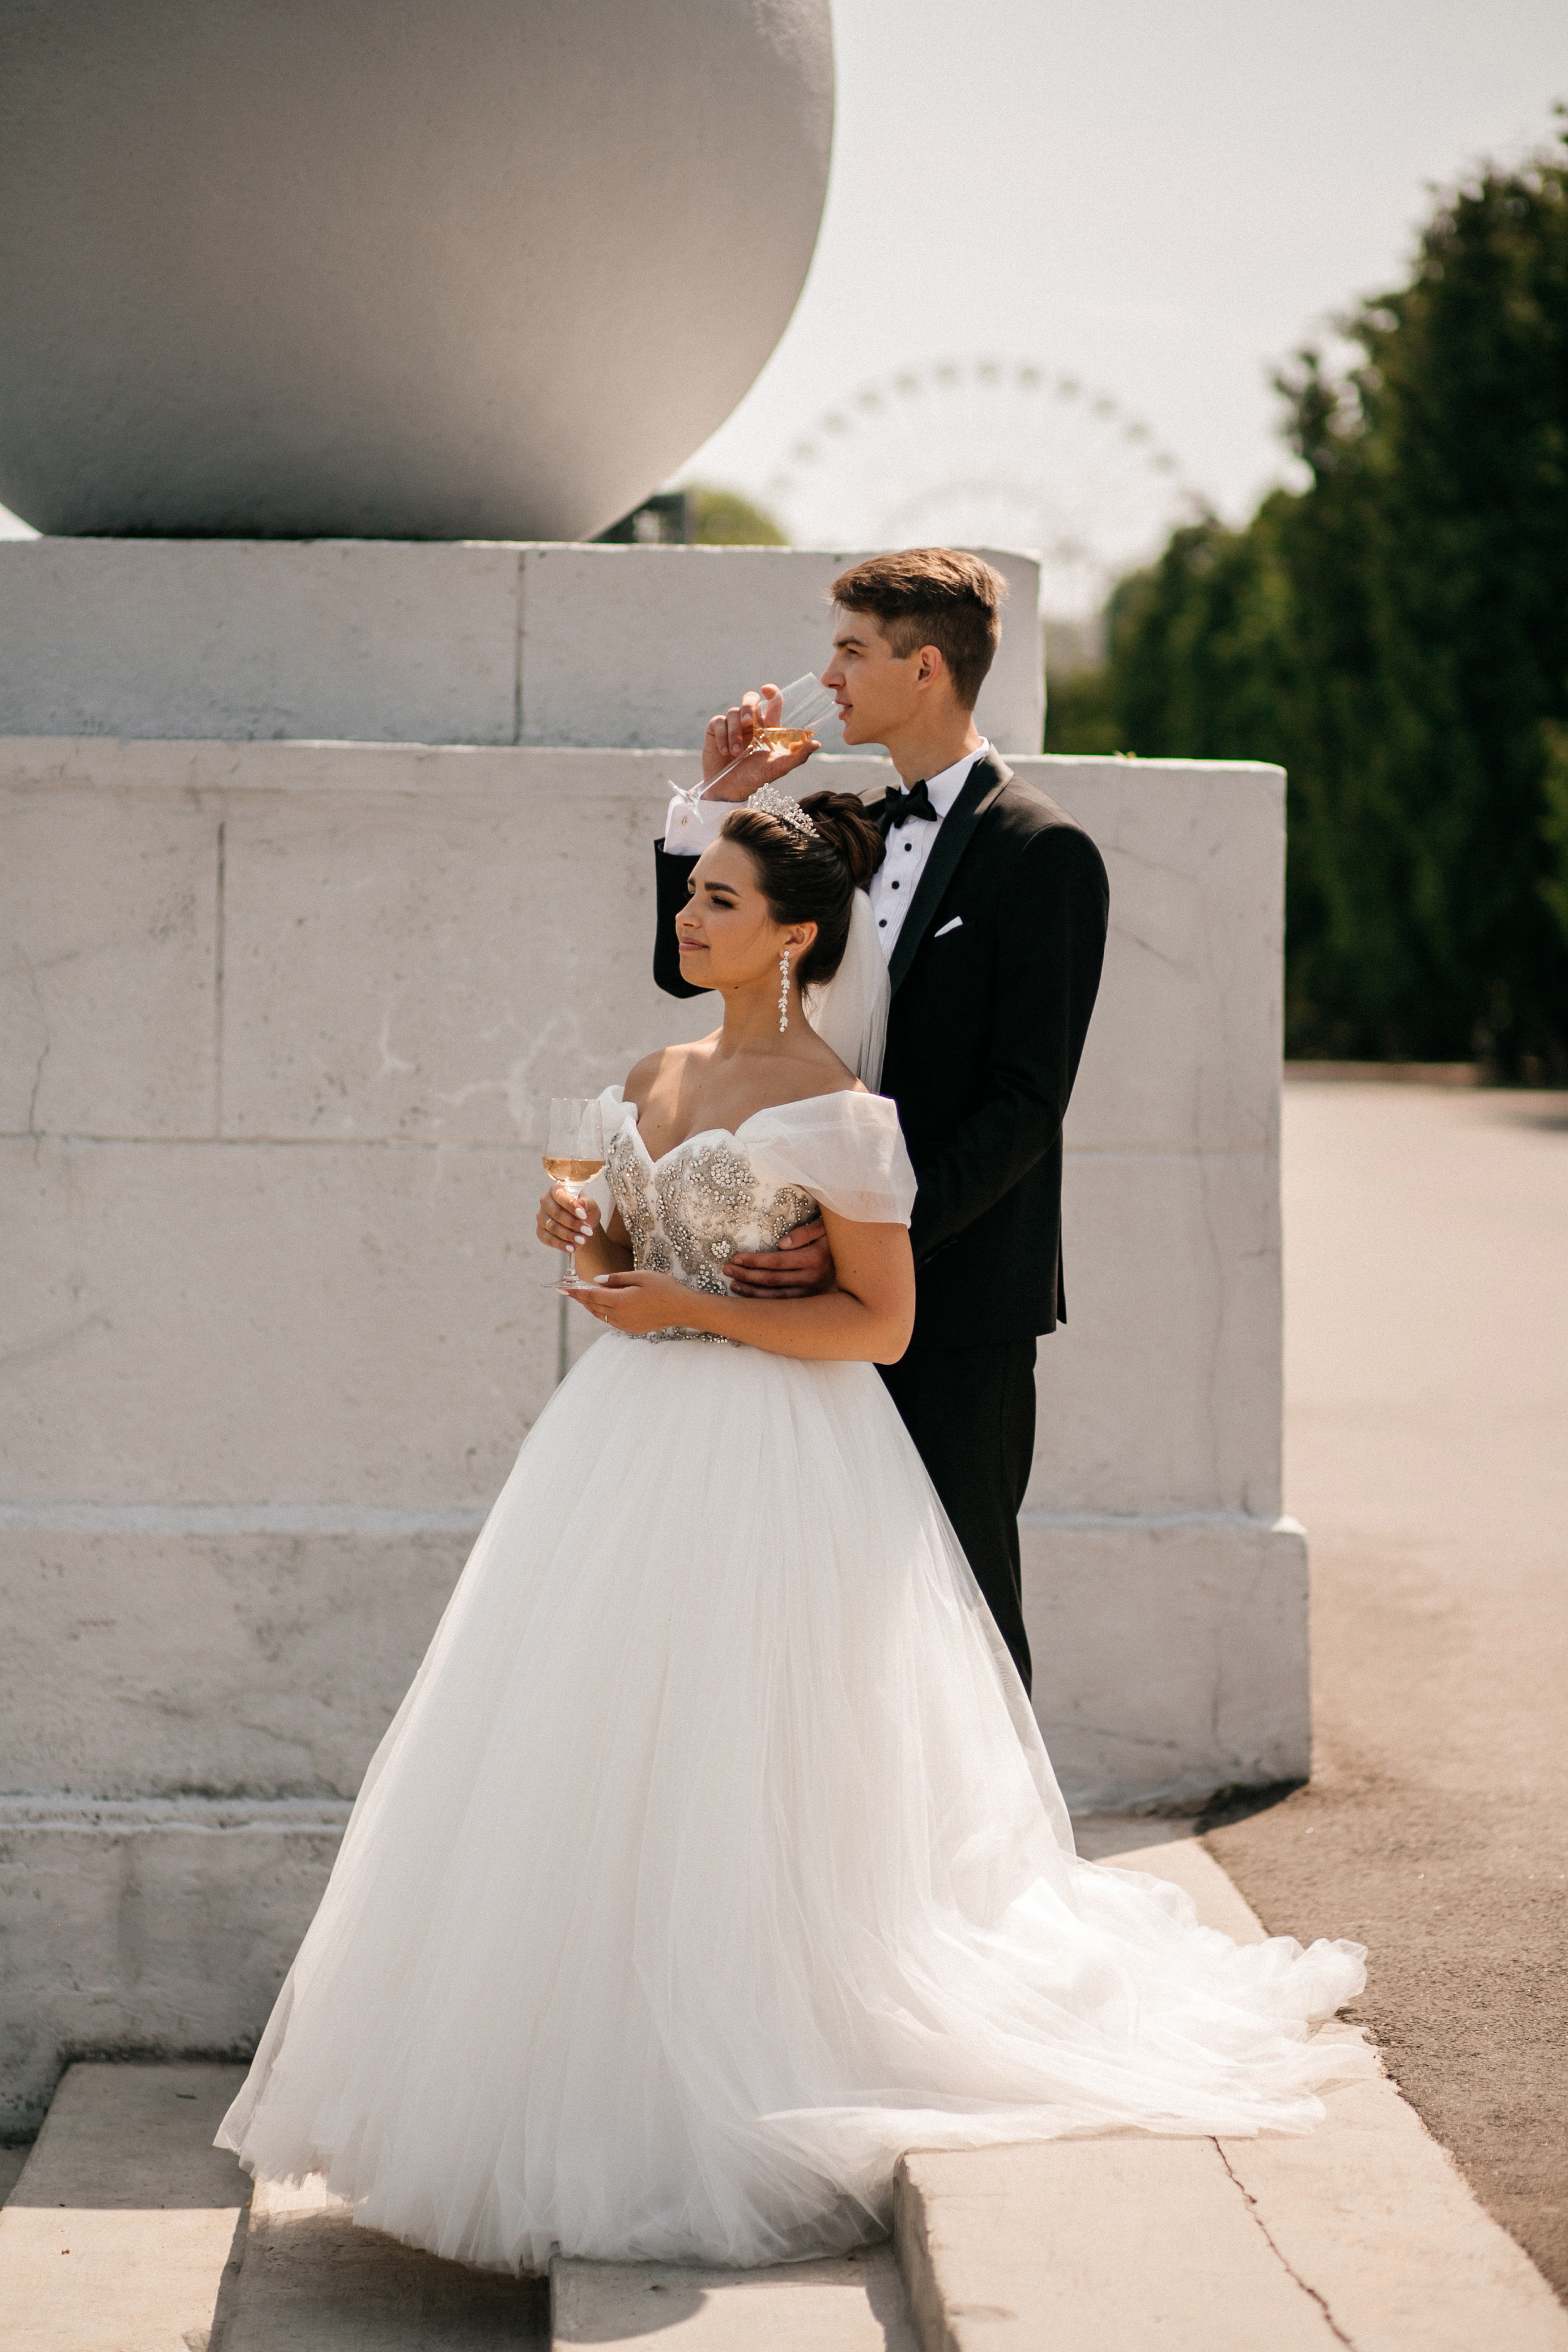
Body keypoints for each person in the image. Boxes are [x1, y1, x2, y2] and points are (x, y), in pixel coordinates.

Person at [216, 776, 1368, 2277]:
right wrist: (584, 1232)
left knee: (740, 1759)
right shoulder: (649, 1073)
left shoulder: (839, 1110)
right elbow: (626, 1245)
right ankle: (575, 2062)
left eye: (715, 902)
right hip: (619, 1449)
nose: (685, 919)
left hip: (770, 1453)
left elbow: (878, 1325)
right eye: (690, 895)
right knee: (591, 1748)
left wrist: (686, 1305)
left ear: (794, 937)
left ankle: (743, 2060)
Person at [652, 549, 1108, 1690]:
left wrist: (884, 1234)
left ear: (927, 666)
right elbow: (688, 971)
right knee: (810, 1604)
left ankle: (996, 1865)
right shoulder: (832, 825)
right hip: (796, 1295)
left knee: (961, 1602)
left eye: (852, 650)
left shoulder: (1045, 855)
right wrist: (719, 803)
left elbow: (1026, 1104)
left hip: (957, 1293)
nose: (829, 676)